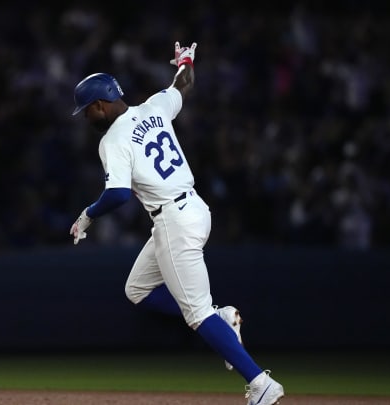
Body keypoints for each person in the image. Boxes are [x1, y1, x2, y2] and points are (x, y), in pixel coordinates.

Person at [69, 41, 285, 405]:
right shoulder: (154, 106)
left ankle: (261, 384)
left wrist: (88, 214)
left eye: (86, 112)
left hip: (172, 219)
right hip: (196, 210)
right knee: (136, 289)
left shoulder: (114, 139)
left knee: (196, 314)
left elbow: (119, 194)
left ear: (99, 106)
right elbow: (184, 84)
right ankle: (223, 317)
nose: (86, 118)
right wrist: (186, 60)